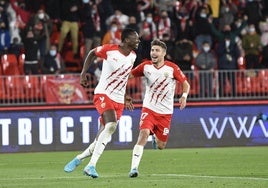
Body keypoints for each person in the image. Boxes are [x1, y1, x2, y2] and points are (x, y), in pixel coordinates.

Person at [63, 28, 140, 178]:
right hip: (103, 93)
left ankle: (79, 158)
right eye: (135, 38)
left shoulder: (133, 56)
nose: (138, 41)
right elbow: (92, 53)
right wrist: (83, 73)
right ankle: (91, 166)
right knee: (111, 125)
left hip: (118, 99)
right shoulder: (110, 50)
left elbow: (122, 78)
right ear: (125, 40)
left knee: (103, 136)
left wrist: (125, 96)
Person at [128, 39, 190, 178]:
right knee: (143, 134)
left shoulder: (172, 68)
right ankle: (134, 168)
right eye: (152, 50)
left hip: (165, 113)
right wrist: (125, 94)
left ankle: (155, 138)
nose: (153, 53)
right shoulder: (145, 67)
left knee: (161, 146)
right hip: (149, 108)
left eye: (157, 50)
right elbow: (128, 76)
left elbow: (185, 83)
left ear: (164, 53)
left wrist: (184, 96)